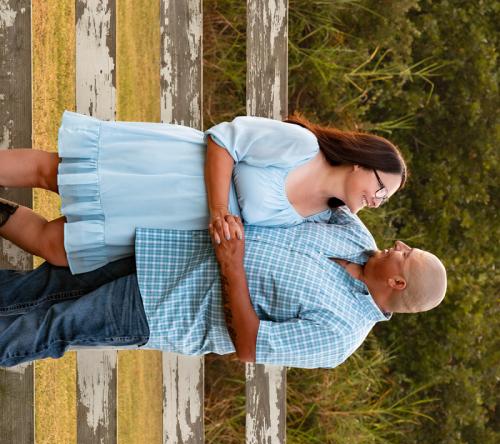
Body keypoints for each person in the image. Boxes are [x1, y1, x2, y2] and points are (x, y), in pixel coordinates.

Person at [0, 208, 447, 369]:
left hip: (163, 308)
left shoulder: (340, 338)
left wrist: (232, 266)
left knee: (49, 328)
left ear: (398, 283)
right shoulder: (353, 232)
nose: (399, 245)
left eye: (406, 254)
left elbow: (249, 346)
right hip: (163, 248)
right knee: (42, 285)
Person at [0, 111, 406, 274]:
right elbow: (223, 141)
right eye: (380, 187)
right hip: (173, 171)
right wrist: (217, 209)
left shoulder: (319, 217)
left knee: (58, 247)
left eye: (384, 199)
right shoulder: (302, 146)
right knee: (55, 173)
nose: (377, 200)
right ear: (361, 161)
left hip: (172, 223)